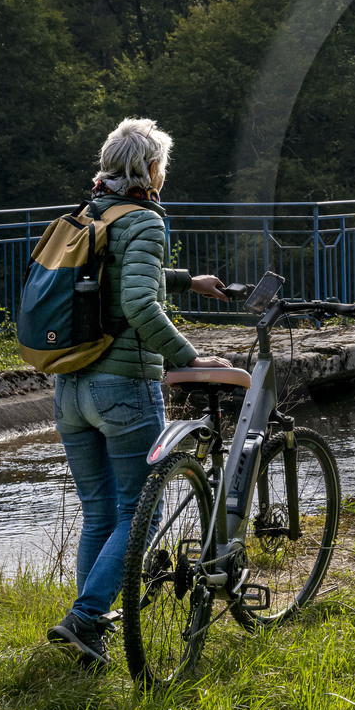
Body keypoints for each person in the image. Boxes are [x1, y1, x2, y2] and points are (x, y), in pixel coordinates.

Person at [46, 117, 231, 668]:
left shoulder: (87, 214)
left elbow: (115, 274)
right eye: (162, 165)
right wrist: (192, 358)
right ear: (150, 169)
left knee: (100, 515)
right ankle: (84, 617)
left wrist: (185, 279)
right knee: (137, 513)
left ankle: (90, 637)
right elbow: (138, 306)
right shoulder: (146, 220)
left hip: (71, 389)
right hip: (123, 388)